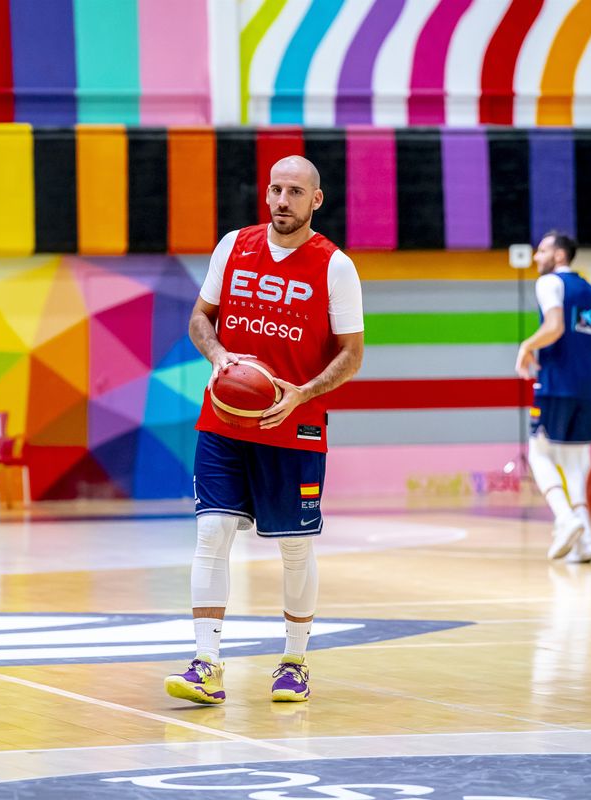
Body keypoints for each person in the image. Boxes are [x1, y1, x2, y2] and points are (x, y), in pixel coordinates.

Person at [164, 156, 364, 705]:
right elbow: (201, 318)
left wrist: (302, 393)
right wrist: (220, 357)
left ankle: (295, 661)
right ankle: (206, 663)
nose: (282, 200)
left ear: (315, 201)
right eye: (275, 189)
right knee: (211, 536)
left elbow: (352, 354)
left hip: (293, 428)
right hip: (223, 422)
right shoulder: (233, 245)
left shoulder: (334, 266)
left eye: (295, 192)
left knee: (295, 548)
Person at [515, 231, 591, 564]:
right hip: (587, 388)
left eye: (542, 251)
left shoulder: (550, 283)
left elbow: (554, 326)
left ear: (560, 256)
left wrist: (527, 345)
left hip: (554, 385)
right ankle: (586, 542)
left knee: (538, 453)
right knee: (577, 462)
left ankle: (565, 519)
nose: (537, 257)